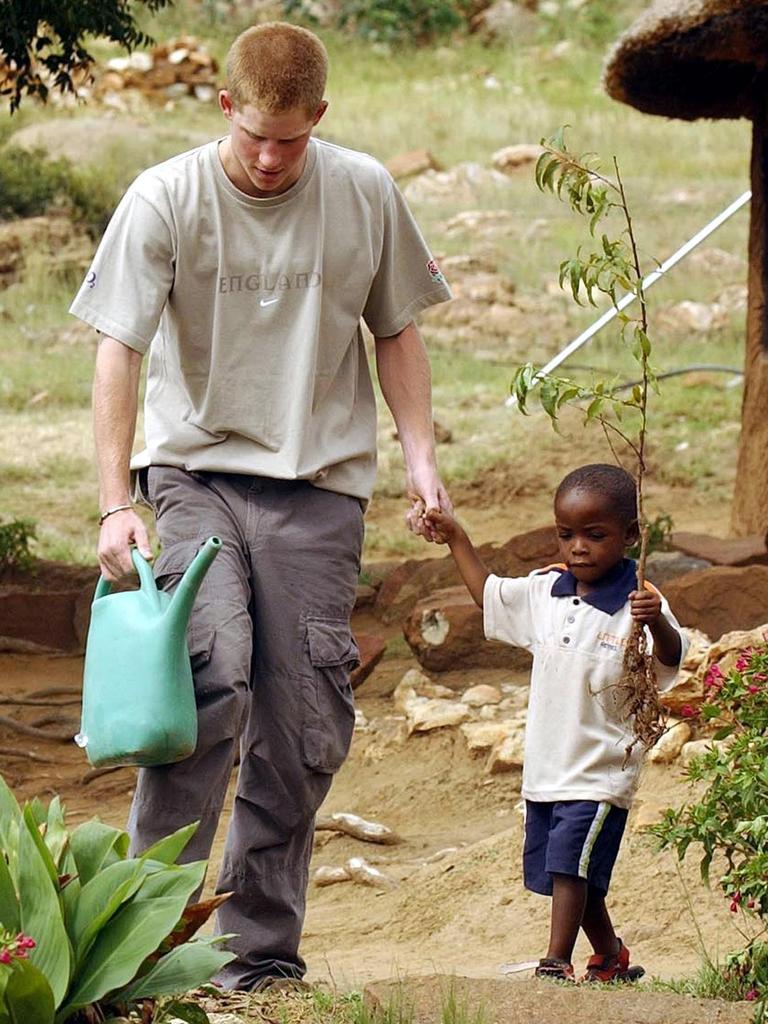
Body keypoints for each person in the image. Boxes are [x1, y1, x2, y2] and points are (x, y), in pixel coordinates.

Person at [69, 21, 452, 990]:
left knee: (300, 723)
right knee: (211, 674)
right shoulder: (167, 198)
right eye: (255, 138)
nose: (273, 159)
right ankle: (142, 944)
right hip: (192, 474)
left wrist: (420, 456)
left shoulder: (363, 191)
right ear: (225, 108)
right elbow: (118, 347)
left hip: (319, 487)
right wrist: (116, 501)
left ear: (317, 118)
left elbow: (396, 329)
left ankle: (256, 955)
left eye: (293, 139)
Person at [423, 463, 686, 983]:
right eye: (566, 534)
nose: (578, 548)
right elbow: (490, 594)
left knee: (570, 866)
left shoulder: (638, 603)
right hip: (546, 766)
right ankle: (610, 956)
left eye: (595, 534)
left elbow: (669, 659)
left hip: (600, 770)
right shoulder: (547, 592)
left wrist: (654, 619)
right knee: (567, 871)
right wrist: (457, 537)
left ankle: (554, 962)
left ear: (631, 535)